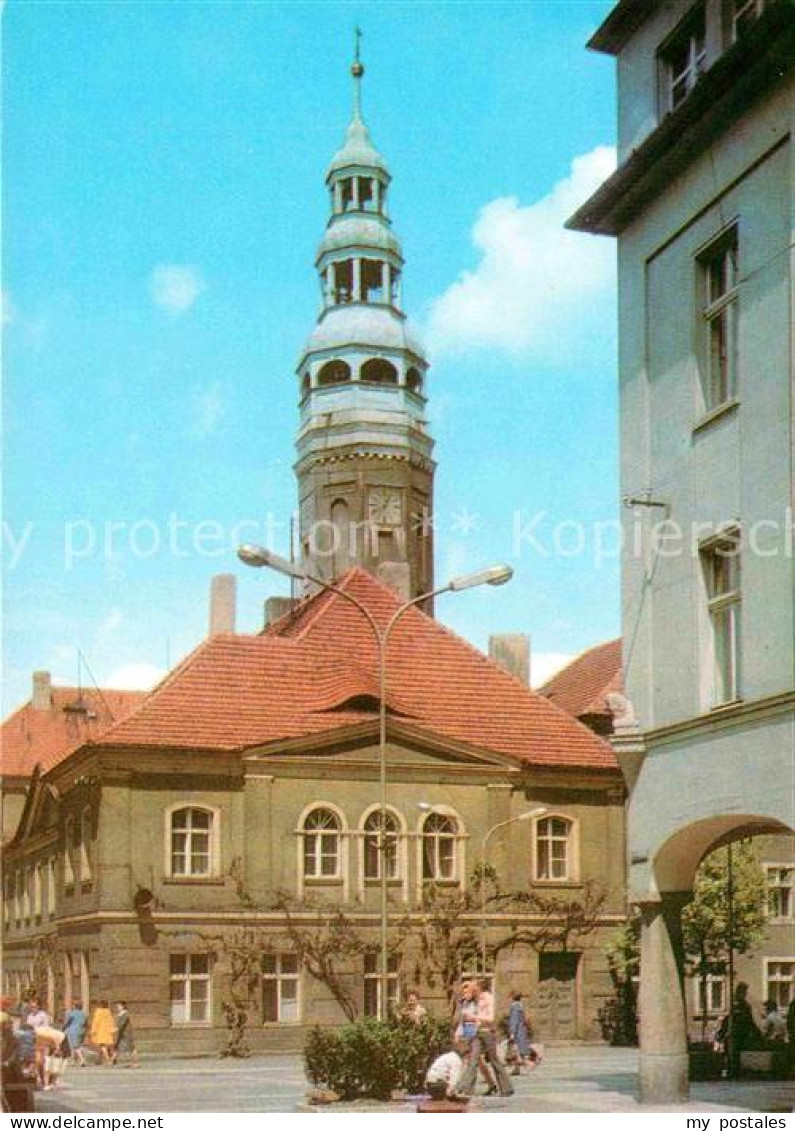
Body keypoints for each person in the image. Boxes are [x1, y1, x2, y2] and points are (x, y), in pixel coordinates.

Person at [456, 980, 513, 1098]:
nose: (473, 988)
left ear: (480, 987)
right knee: (473, 1060)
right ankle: (463, 1087)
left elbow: (491, 1018)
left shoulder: (488, 998)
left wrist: (475, 1017)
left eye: (475, 986)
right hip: (478, 1033)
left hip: (488, 1033)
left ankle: (506, 1088)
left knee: (494, 1061)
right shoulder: (477, 999)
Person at [417, 1039, 470, 1112]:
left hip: (430, 1084)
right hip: (438, 1085)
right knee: (460, 1101)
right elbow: (454, 1080)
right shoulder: (456, 1060)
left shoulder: (448, 1055)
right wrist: (452, 1094)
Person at [507, 992, 531, 1075]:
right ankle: (517, 1069)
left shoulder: (514, 1007)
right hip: (522, 1030)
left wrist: (512, 1033)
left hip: (517, 1031)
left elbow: (514, 1020)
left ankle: (525, 1067)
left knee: (516, 1050)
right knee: (519, 1051)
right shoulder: (520, 1006)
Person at [111, 1002, 138, 1067]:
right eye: (117, 1006)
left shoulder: (125, 1014)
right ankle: (113, 1060)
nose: (117, 1007)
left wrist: (116, 1029)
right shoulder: (120, 1014)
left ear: (123, 1006)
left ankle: (135, 1063)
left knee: (132, 1048)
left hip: (126, 1033)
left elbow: (122, 1023)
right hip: (121, 1033)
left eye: (119, 1006)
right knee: (117, 1046)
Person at [89, 1000, 115, 1064]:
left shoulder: (98, 1012)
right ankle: (104, 1059)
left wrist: (93, 1031)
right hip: (108, 1031)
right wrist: (112, 1030)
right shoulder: (109, 1012)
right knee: (108, 1046)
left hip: (100, 1031)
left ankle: (108, 1059)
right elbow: (112, 1022)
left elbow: (96, 1022)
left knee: (102, 1046)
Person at [62, 1001, 88, 1067]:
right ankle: (72, 1061)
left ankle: (82, 1060)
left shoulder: (73, 1013)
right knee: (74, 1046)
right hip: (81, 1030)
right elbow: (86, 1024)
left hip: (73, 1031)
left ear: (75, 1006)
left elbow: (68, 1022)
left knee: (75, 1047)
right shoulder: (84, 1014)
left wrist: (63, 1028)